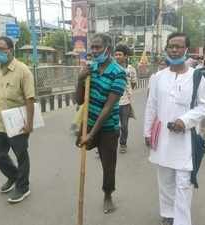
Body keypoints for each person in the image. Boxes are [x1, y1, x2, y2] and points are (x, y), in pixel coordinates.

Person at [144, 32, 205, 225]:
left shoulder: (196, 77)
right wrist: (147, 132)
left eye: (179, 46)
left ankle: (181, 221)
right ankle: (168, 214)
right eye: (171, 46)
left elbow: (204, 106)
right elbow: (152, 105)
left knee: (183, 183)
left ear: (186, 49)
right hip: (162, 138)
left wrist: (185, 120)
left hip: (185, 141)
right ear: (166, 49)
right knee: (165, 180)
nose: (174, 50)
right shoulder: (158, 77)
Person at [75, 33, 127, 214]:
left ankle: (108, 195)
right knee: (82, 145)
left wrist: (91, 134)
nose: (94, 51)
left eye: (98, 47)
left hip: (108, 127)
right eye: (93, 47)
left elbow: (108, 108)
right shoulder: (91, 68)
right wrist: (80, 79)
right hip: (89, 121)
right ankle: (91, 140)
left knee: (108, 164)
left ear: (108, 49)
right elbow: (79, 101)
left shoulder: (119, 73)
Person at [0, 36, 35, 203]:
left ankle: (23, 187)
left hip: (16, 122)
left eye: (1, 49)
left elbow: (30, 98)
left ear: (10, 50)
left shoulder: (23, 71)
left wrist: (29, 123)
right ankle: (14, 176)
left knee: (21, 154)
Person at [114, 44, 138, 153]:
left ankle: (123, 144)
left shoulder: (131, 69)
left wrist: (127, 93)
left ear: (126, 56)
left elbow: (133, 83)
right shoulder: (111, 68)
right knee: (110, 125)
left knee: (124, 126)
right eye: (116, 54)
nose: (117, 56)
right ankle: (107, 143)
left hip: (125, 103)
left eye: (120, 54)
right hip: (112, 102)